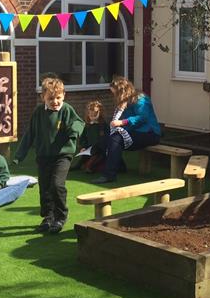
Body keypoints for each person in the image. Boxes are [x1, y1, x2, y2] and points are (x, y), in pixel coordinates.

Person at [14, 77, 84, 234]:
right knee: (45, 187)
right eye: (51, 98)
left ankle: (60, 217)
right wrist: (19, 155)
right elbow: (29, 133)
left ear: (63, 96)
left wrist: (74, 131)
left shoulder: (66, 110)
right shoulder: (38, 112)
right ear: (42, 97)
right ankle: (48, 217)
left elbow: (78, 122)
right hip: (44, 155)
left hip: (62, 155)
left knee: (57, 184)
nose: (55, 102)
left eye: (58, 98)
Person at [92, 76, 161, 184]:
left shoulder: (141, 99)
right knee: (107, 138)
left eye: (115, 93)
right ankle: (119, 167)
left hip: (150, 133)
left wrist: (122, 122)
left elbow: (142, 118)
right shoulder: (124, 102)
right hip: (135, 132)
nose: (114, 96)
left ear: (121, 91)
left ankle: (109, 175)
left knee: (116, 138)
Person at [73, 100, 106, 172]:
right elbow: (83, 138)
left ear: (100, 114)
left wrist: (97, 146)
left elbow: (104, 139)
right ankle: (79, 165)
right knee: (83, 158)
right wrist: (83, 147)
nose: (92, 117)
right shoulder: (87, 126)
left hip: (99, 150)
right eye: (91, 115)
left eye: (95, 115)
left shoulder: (103, 125)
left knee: (90, 164)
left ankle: (89, 166)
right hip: (88, 149)